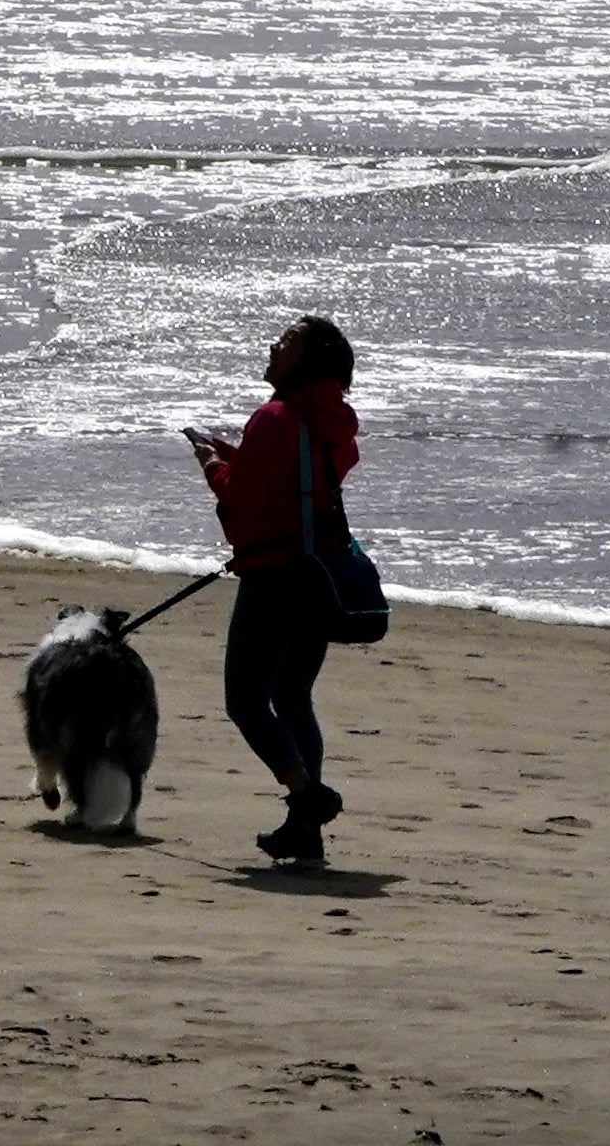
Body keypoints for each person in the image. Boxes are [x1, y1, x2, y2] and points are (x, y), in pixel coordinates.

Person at [185, 314, 363, 871]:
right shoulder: (330, 420)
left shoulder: (275, 417)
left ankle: (306, 797)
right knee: (292, 699)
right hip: (318, 575)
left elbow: (243, 502)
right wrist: (237, 458)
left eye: (287, 343)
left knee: (246, 700)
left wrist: (213, 464)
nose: (273, 347)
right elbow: (292, 485)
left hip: (276, 578)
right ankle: (305, 833)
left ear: (305, 362)